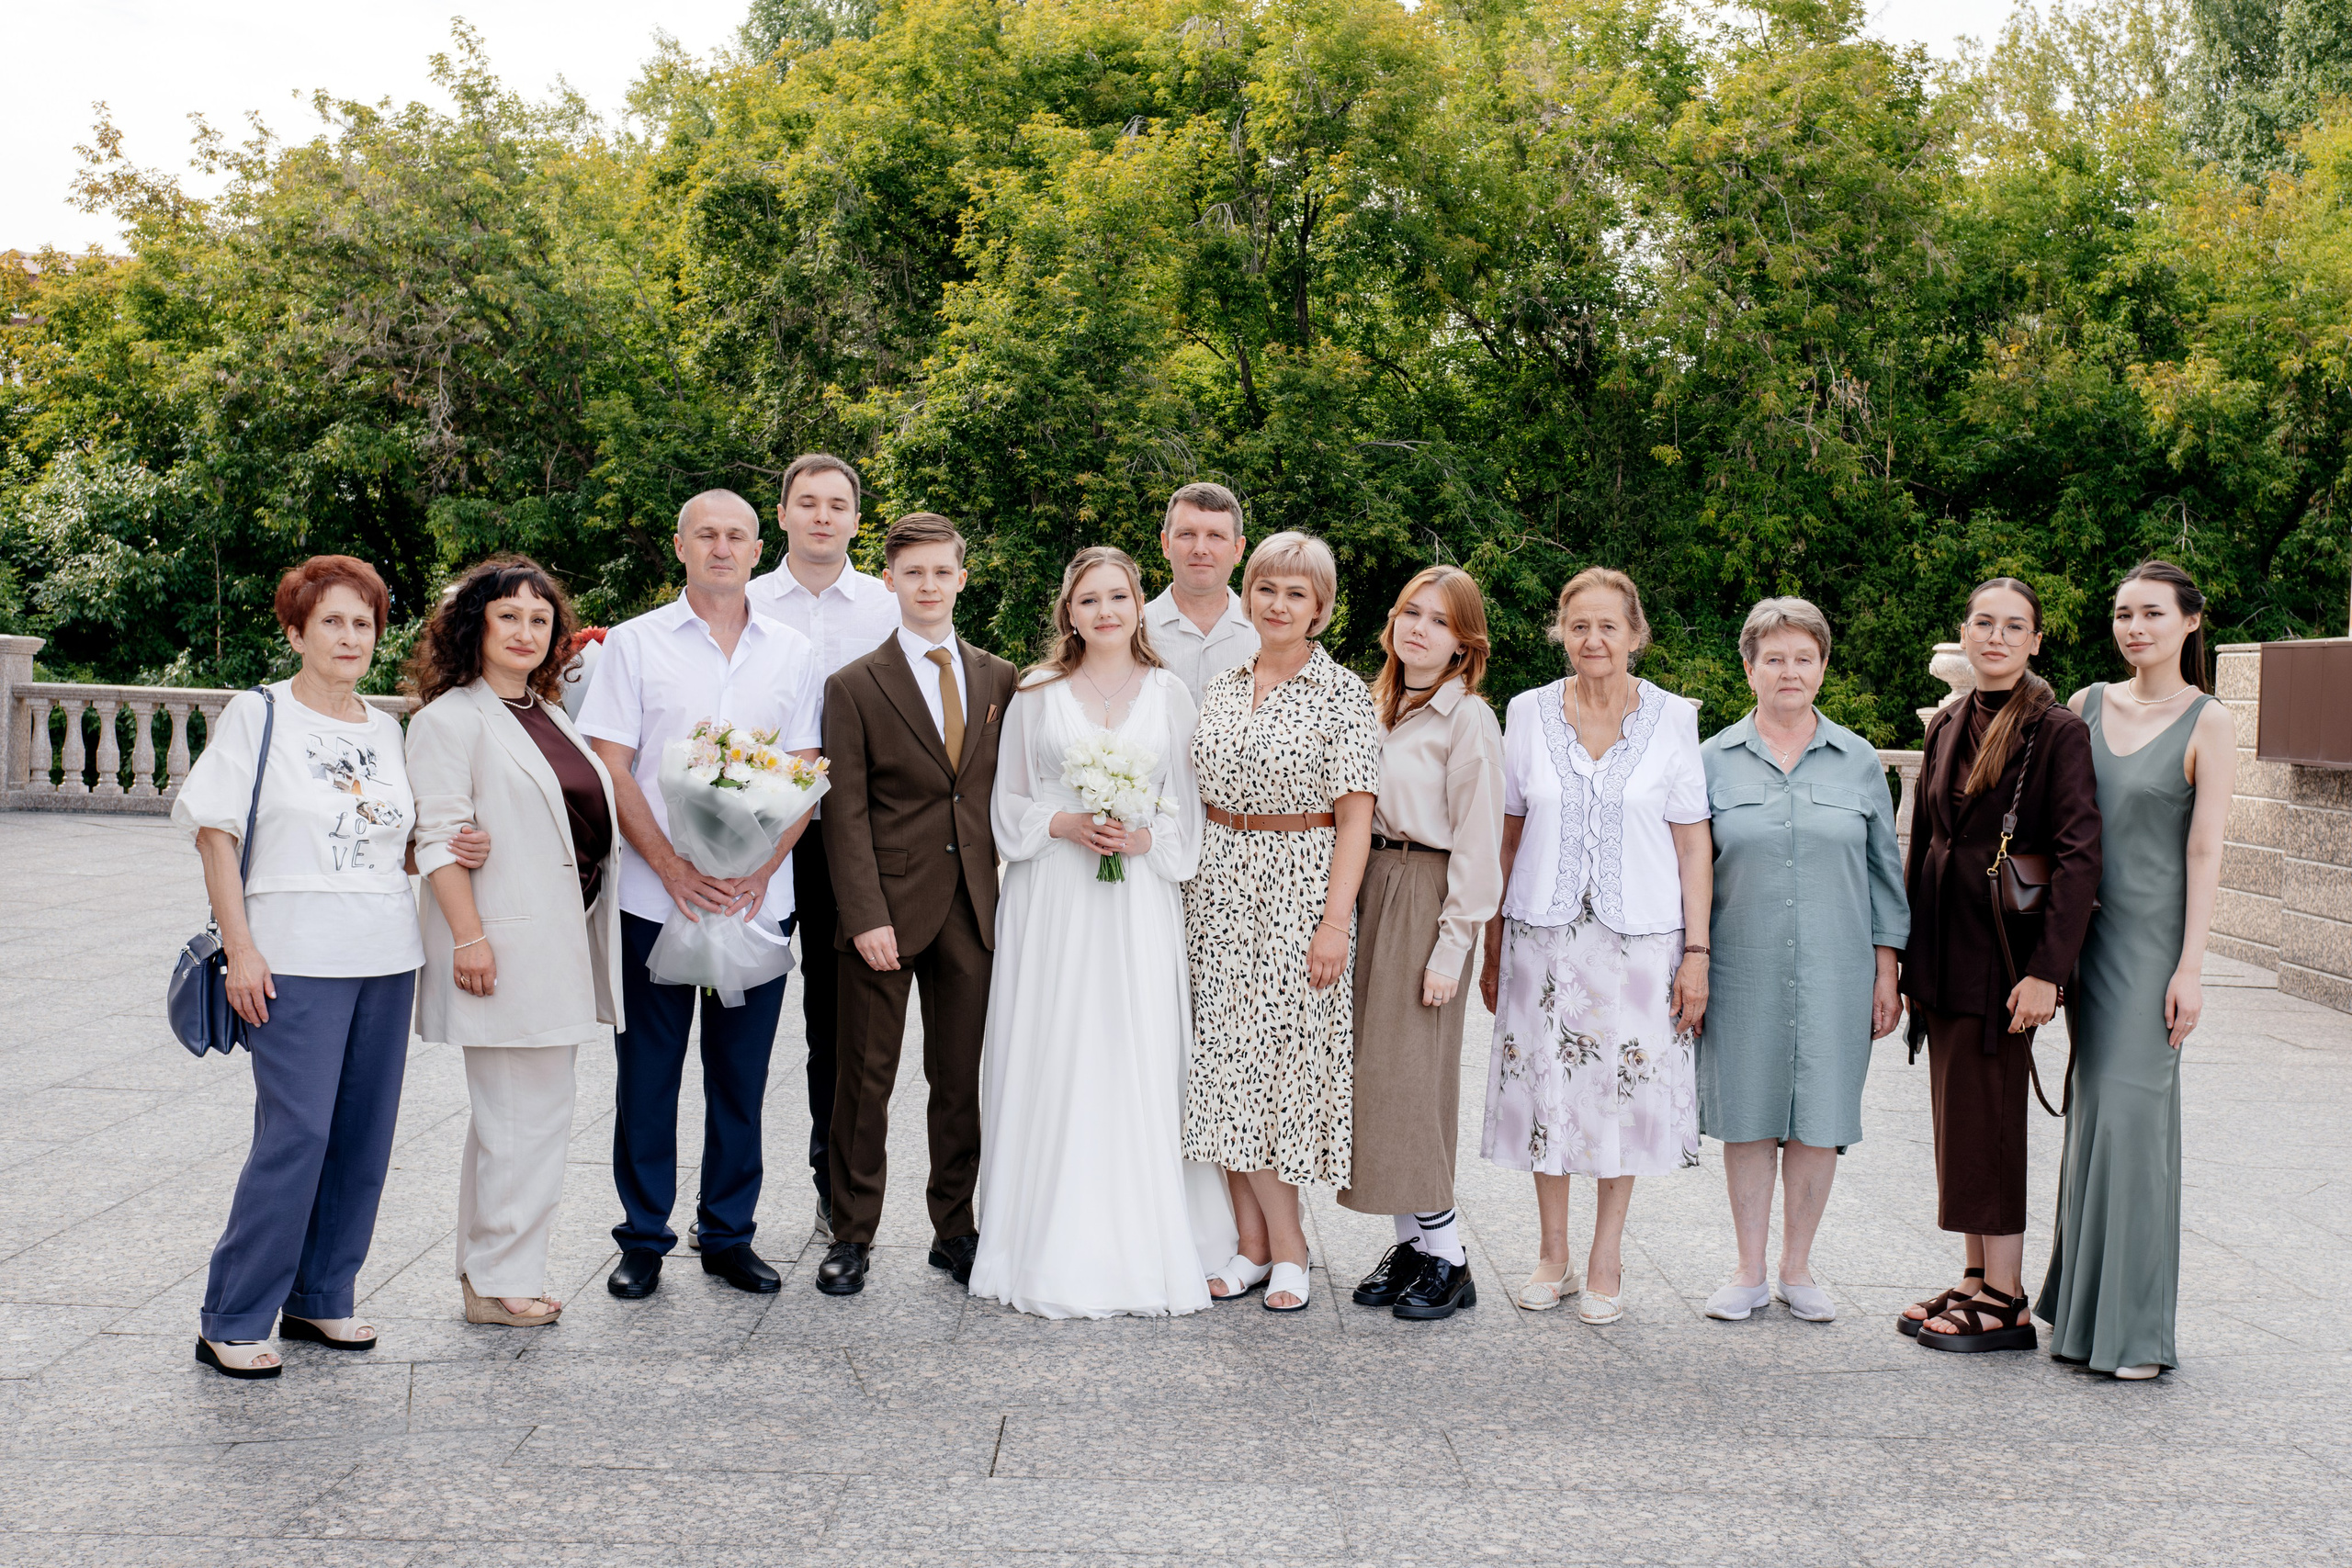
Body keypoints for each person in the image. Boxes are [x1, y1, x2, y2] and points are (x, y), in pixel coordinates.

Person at [175, 555, 486, 1378]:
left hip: (386, 955)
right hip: (291, 957)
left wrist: (458, 847)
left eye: (364, 624)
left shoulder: (389, 729)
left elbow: (399, 847)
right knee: (298, 1132)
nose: (350, 637)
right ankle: (234, 1313)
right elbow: (217, 833)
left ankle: (321, 1293)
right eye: (332, 622)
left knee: (360, 1137)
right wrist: (241, 947)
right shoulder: (259, 713)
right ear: (296, 631)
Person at [967, 547, 1238, 1316]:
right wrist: (1063, 820)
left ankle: (1151, 1230)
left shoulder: (1173, 695)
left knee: (1132, 1048)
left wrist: (1146, 838)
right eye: (1090, 599)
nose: (1107, 610)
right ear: (1068, 611)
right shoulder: (1037, 692)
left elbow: (1190, 804)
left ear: (1138, 602)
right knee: (1056, 1044)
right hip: (1053, 894)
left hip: (1134, 904)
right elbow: (1006, 799)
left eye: (1119, 595)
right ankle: (1040, 1232)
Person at [577, 491, 823, 1301]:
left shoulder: (793, 650)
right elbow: (613, 765)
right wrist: (673, 868)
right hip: (656, 900)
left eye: (737, 536)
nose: (722, 547)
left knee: (739, 1079)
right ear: (679, 545)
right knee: (646, 1077)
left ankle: (727, 1233)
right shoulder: (637, 645)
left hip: (757, 902)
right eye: (706, 535)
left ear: (759, 549)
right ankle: (642, 1237)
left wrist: (757, 868)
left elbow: (806, 776)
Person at [1480, 568, 1712, 1326]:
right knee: (1549, 1088)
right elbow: (1507, 831)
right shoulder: (1526, 710)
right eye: (1579, 625)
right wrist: (1489, 940)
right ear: (1561, 631)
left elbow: (1693, 847)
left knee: (1623, 1095)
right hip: (1542, 938)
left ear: (1636, 633)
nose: (1594, 639)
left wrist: (1697, 952)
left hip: (1641, 942)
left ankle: (1606, 1255)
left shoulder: (1675, 718)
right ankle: (1553, 1253)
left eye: (1609, 625)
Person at [405, 555, 622, 1328]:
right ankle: (503, 1281)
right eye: (510, 617)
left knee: (512, 1117)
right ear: (476, 628)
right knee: (523, 1120)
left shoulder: (547, 711)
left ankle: (486, 1266)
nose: (528, 631)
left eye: (541, 619)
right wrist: (469, 938)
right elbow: (436, 838)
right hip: (501, 948)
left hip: (558, 942)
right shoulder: (448, 720)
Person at [2036, 561, 2234, 1379]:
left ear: (2190, 622)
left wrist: (2192, 966)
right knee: (2090, 1117)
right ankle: (2084, 1321)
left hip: (2152, 948)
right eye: (2123, 613)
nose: (2134, 627)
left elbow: (2204, 846)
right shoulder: (2083, 704)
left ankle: (2135, 1330)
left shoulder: (2207, 719)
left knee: (2131, 1120)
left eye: (2152, 613)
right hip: (2081, 938)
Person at [815, 513, 1018, 1296]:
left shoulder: (1001, 679)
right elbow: (848, 811)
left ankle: (955, 1227)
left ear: (962, 578)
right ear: (890, 581)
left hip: (974, 904)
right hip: (886, 912)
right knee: (863, 1079)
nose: (928, 585)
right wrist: (864, 915)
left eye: (942, 572)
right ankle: (853, 1233)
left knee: (960, 1076)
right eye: (913, 573)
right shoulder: (855, 685)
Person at [1899, 577, 2101, 1354]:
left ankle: (2008, 1297)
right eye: (1984, 622)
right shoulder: (1950, 719)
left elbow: (2083, 856)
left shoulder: (2056, 732)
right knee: (1960, 1120)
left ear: (2035, 641)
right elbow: (1923, 842)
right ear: (1965, 630)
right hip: (1946, 950)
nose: (1996, 636)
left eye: (2014, 626)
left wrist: (2048, 971)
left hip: (2007, 958)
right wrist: (1911, 960)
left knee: (1992, 1121)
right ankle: (1977, 1275)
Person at [1184, 530, 1381, 1314]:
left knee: (1276, 1074)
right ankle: (1251, 1248)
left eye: (1296, 593)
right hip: (1219, 884)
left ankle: (1291, 1246)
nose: (1278, 603)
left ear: (1321, 609)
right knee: (1222, 1066)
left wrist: (1335, 922)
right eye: (1267, 588)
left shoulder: (1343, 696)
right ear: (1248, 594)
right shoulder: (1226, 685)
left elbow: (1357, 820)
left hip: (1299, 885)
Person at [1696, 597, 1907, 1325]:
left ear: (1824, 666)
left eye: (1805, 657)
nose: (1791, 671)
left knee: (1821, 1116)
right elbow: (1690, 872)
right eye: (1775, 658)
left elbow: (1886, 873)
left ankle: (1798, 1267)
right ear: (1749, 667)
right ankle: (1749, 1270)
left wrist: (1888, 969)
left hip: (1838, 968)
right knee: (1749, 1113)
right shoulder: (1710, 760)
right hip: (1741, 966)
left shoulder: (1858, 762)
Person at [1340, 565, 1504, 1322]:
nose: (1419, 629)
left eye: (1439, 620)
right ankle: (1414, 1246)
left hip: (1424, 891)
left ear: (1463, 641)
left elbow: (1478, 839)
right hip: (1369, 882)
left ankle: (1452, 1256)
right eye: (1412, 612)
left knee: (1409, 1078)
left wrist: (1452, 946)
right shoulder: (1375, 702)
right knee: (1371, 1079)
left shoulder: (1465, 717)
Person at [747, 453, 902, 1237]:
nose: (820, 516)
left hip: (856, 834)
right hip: (757, 830)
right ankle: (726, 1198)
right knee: (739, 1014)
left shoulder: (887, 604)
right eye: (806, 502)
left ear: (854, 518)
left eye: (836, 505)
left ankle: (830, 1178)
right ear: (781, 514)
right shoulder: (739, 600)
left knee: (837, 1019)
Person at [1144, 481, 1258, 705]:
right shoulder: (1135, 631)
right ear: (1166, 544)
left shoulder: (1264, 633)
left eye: (1215, 536)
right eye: (1187, 534)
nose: (1200, 549)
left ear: (1238, 549)